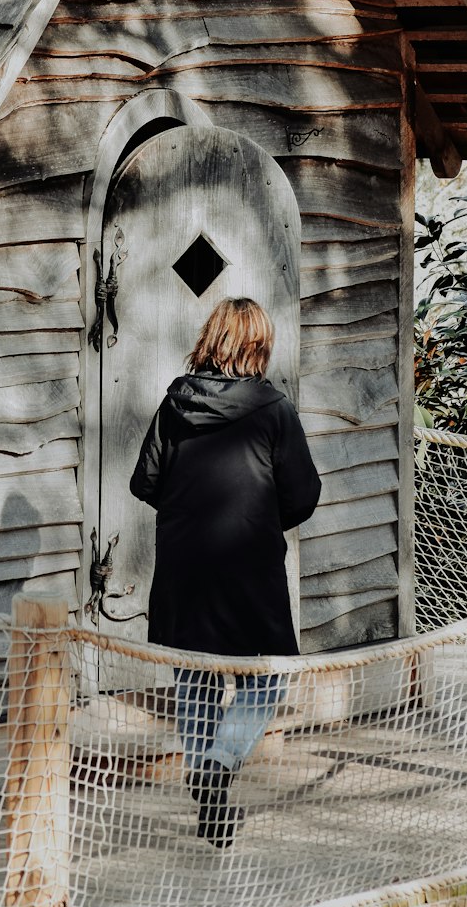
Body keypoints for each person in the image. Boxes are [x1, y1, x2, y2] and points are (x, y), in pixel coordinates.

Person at [129, 296, 322, 848]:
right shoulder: (274, 410)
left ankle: (206, 782)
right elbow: (303, 495)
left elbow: (146, 482)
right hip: (248, 565)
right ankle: (219, 760)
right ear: (258, 347)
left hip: (184, 565)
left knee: (195, 675)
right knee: (275, 671)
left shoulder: (176, 404)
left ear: (210, 339)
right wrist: (259, 517)